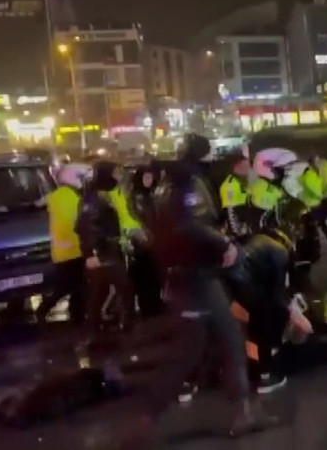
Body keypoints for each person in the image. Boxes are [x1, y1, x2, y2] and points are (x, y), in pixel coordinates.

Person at [130, 133, 272, 447]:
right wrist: (222, 244)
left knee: (201, 349)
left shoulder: (169, 184)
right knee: (215, 346)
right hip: (197, 280)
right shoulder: (185, 185)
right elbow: (189, 226)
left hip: (188, 277)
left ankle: (146, 422)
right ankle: (241, 413)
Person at [223, 233, 314, 394]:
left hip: (271, 266)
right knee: (261, 316)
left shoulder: (267, 261)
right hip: (262, 272)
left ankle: (268, 363)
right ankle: (266, 363)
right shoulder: (238, 273)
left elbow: (273, 300)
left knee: (269, 310)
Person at [75, 161, 135, 334]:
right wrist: (91, 253)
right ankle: (124, 326)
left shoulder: (102, 196)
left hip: (108, 250)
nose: (118, 176)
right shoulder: (93, 199)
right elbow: (85, 228)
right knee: (123, 288)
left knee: (101, 291)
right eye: (115, 173)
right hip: (103, 253)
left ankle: (96, 327)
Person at [39, 163, 89, 324]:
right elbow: (73, 223)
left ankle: (77, 316)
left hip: (66, 251)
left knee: (77, 286)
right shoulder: (69, 197)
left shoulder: (59, 195)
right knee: (70, 286)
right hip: (71, 250)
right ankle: (45, 309)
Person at [128, 163, 164, 318]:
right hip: (144, 242)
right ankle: (147, 307)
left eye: (151, 177)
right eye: (146, 177)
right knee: (145, 275)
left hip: (154, 240)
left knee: (155, 274)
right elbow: (139, 218)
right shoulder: (136, 197)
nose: (149, 180)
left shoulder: (151, 194)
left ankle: (155, 303)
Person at [219, 148, 254, 237]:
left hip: (247, 230)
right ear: (235, 167)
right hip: (239, 235)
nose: (247, 169)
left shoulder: (242, 181)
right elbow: (230, 214)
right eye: (244, 166)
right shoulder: (230, 186)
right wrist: (238, 235)